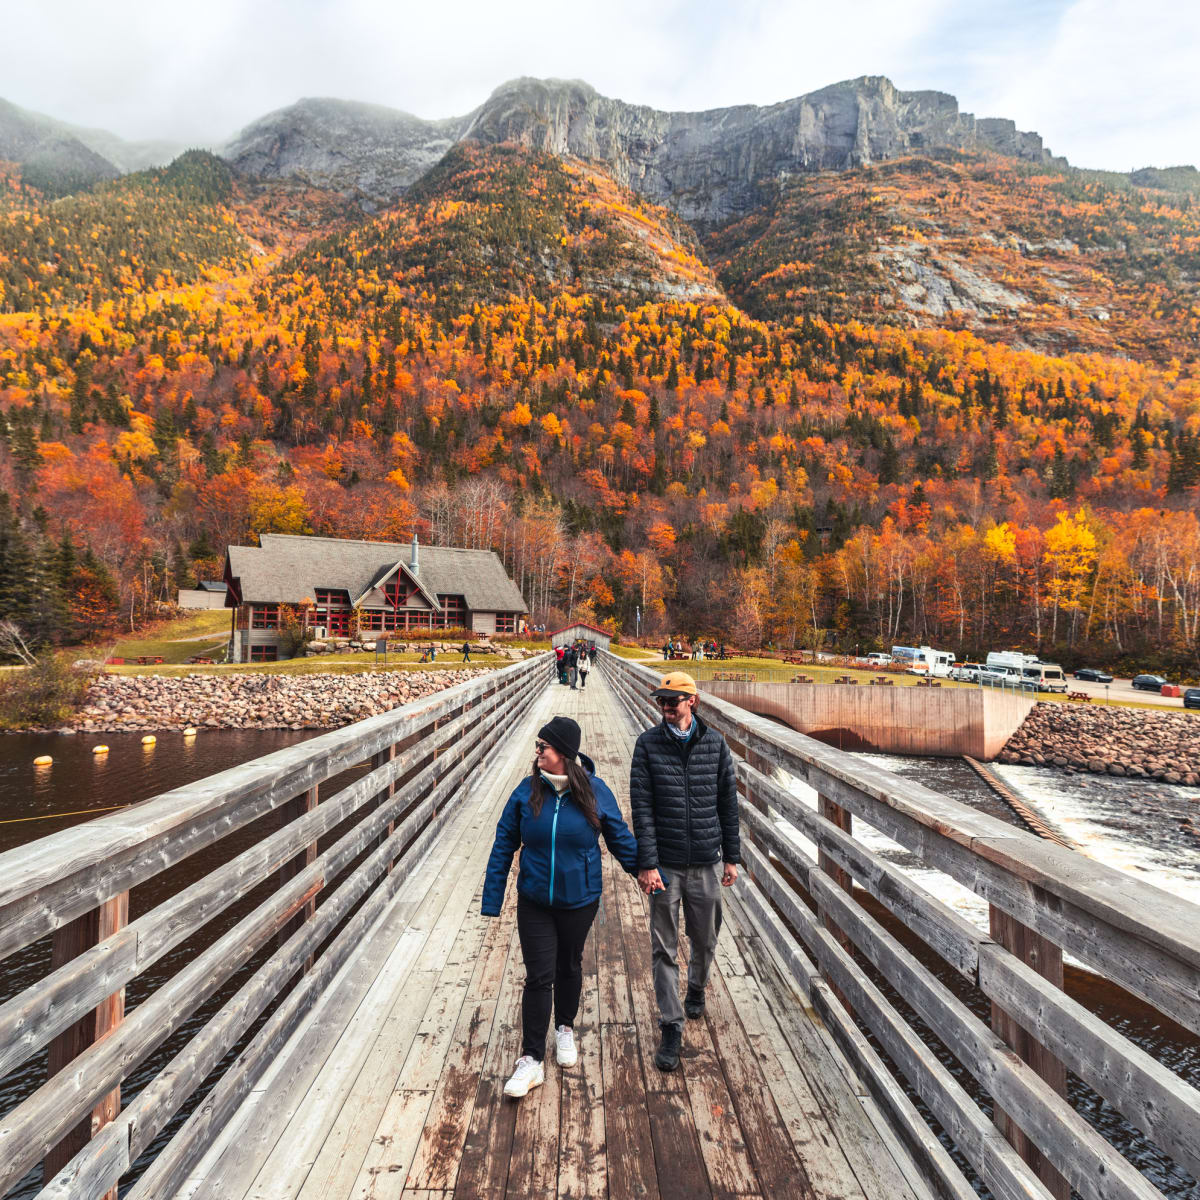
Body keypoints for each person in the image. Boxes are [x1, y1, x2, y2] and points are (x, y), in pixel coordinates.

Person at [482, 717, 639, 1099]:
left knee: (568, 965)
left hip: (579, 898)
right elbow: (504, 842)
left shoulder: (595, 792)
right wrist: (493, 896)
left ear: (564, 754)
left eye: (543, 747)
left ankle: (564, 1028)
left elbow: (618, 836)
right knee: (538, 975)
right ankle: (531, 1059)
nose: (537, 753)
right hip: (534, 898)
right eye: (537, 746)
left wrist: (647, 871)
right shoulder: (526, 792)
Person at [630, 671, 740, 1073]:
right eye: (661, 701)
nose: (665, 707)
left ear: (692, 702)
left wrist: (732, 856)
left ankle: (697, 987)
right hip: (666, 866)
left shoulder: (716, 744)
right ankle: (671, 1026)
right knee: (664, 947)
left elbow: (729, 803)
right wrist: (647, 863)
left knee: (706, 939)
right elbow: (641, 809)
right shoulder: (647, 746)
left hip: (708, 861)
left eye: (673, 701)